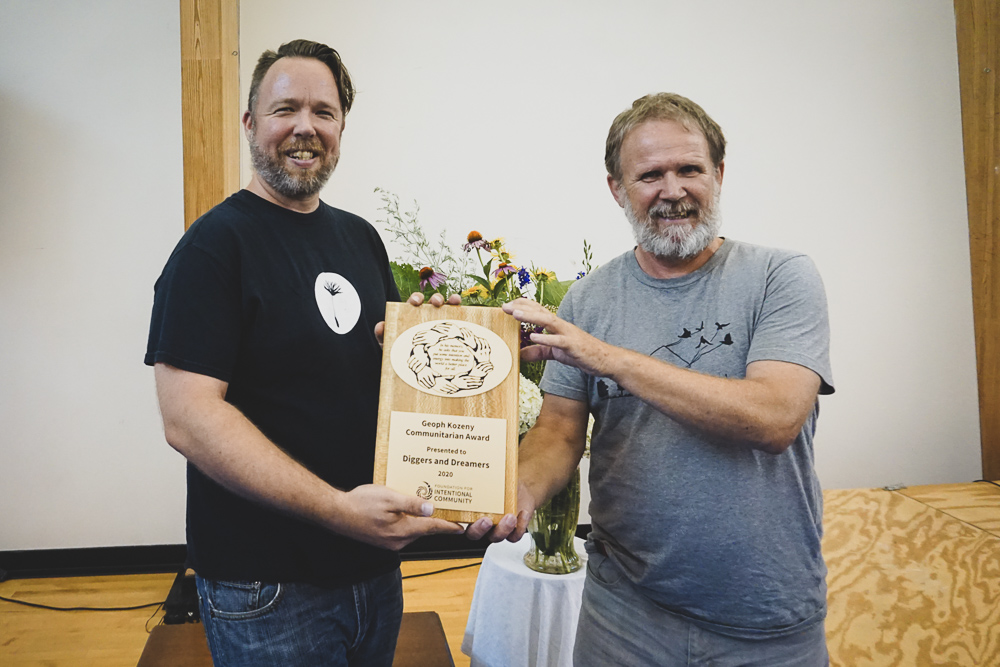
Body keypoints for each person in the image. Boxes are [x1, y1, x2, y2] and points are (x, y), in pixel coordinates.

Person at [469, 93, 835, 666]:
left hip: (764, 621)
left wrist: (608, 358)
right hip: (623, 615)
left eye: (689, 169)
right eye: (649, 175)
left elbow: (774, 417)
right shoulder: (589, 299)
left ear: (718, 174)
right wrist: (518, 492)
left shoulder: (780, 277)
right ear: (617, 189)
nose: (672, 190)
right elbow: (558, 433)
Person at [145, 39, 462, 666]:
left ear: (341, 128)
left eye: (324, 112)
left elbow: (369, 378)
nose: (305, 127)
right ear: (250, 123)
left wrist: (434, 348)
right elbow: (188, 419)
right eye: (285, 109)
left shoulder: (359, 238)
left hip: (372, 566)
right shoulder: (213, 249)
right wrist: (338, 510)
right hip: (267, 586)